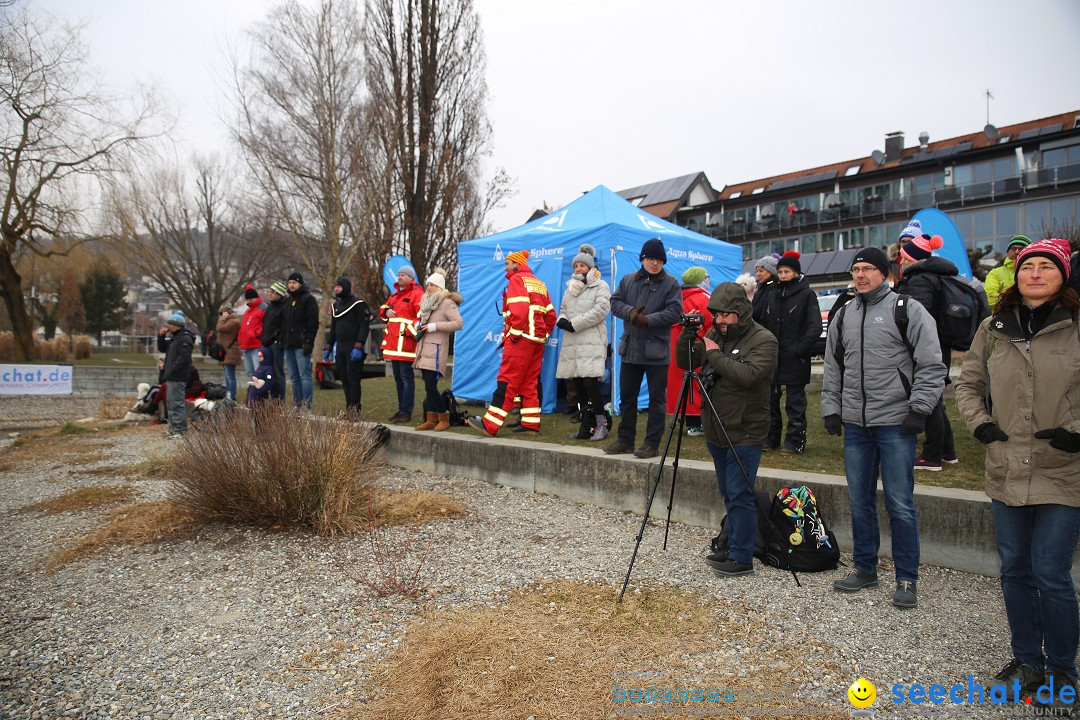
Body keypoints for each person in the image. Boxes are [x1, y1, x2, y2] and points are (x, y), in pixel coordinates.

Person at [955, 238, 1080, 701]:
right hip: (1006, 465)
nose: (1035, 274)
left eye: (1046, 266)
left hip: (1063, 467)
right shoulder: (994, 327)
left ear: (1062, 275)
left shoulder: (1075, 326)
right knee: (1015, 570)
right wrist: (981, 424)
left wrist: (1077, 431)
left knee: (1051, 571)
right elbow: (968, 383)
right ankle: (1028, 657)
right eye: (1028, 267)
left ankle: (1063, 669)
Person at [822, 247, 946, 609]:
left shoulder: (907, 310)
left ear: (885, 273)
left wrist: (919, 409)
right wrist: (832, 408)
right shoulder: (843, 314)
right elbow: (833, 367)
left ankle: (907, 577)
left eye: (868, 269)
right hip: (856, 425)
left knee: (900, 503)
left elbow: (931, 364)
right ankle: (865, 568)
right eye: (856, 269)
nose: (860, 275)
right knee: (859, 502)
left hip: (895, 423)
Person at [675, 282, 777, 577]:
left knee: (740, 493)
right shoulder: (714, 335)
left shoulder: (763, 339)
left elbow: (750, 375)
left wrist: (715, 355)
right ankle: (731, 543)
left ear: (741, 312)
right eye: (715, 315)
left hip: (745, 429)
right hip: (717, 428)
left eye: (725, 315)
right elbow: (688, 362)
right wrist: (688, 337)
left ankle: (742, 558)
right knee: (728, 491)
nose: (719, 321)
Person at [603, 238, 682, 458]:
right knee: (627, 398)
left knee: (657, 401)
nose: (654, 263)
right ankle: (625, 441)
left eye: (659, 259)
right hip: (630, 349)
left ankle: (652, 444)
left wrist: (648, 320)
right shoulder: (628, 280)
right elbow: (614, 302)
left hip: (657, 351)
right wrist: (631, 313)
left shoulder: (671, 283)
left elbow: (674, 311)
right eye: (650, 258)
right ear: (643, 259)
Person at [467, 249, 555, 435]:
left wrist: (514, 334)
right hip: (536, 340)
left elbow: (520, 310)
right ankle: (531, 424)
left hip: (521, 339)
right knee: (529, 382)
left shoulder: (516, 280)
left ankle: (491, 424)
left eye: (507, 264)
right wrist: (543, 334)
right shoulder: (539, 283)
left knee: (507, 380)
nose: (505, 267)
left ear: (516, 264)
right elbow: (551, 315)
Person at [894, 223, 959, 471]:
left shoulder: (920, 279)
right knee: (936, 398)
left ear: (912, 259)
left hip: (927, 344)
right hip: (940, 342)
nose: (900, 262)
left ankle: (931, 456)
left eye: (904, 257)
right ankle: (947, 450)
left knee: (928, 398)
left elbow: (916, 314)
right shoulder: (934, 276)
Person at [757, 251, 820, 454]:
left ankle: (795, 440)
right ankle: (771, 437)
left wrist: (799, 349)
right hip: (773, 355)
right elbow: (764, 322)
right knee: (770, 400)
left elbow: (814, 326)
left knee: (795, 402)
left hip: (795, 357)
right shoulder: (772, 294)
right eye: (780, 271)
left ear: (796, 273)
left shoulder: (807, 295)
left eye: (787, 271)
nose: (783, 275)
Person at [555, 244, 612, 441]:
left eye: (582, 265)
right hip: (573, 343)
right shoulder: (570, 289)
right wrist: (561, 319)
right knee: (577, 386)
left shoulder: (601, 285)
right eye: (576, 266)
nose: (578, 269)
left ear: (590, 266)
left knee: (590, 384)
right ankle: (584, 424)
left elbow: (600, 311)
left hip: (591, 342)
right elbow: (563, 308)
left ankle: (601, 424)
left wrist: (574, 324)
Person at [413, 268, 463, 432]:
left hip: (436, 351)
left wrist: (435, 326)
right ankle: (431, 418)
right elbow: (424, 322)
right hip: (424, 349)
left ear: (440, 287)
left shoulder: (446, 303)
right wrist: (418, 325)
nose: (429, 288)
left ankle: (443, 416)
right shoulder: (427, 303)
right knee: (428, 387)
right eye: (428, 285)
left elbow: (458, 323)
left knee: (431, 386)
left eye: (433, 285)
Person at [666, 266, 713, 437]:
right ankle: (698, 422)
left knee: (680, 384)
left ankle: (686, 420)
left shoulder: (674, 298)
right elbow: (712, 324)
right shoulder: (705, 298)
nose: (709, 280)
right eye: (707, 276)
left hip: (675, 349)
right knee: (699, 384)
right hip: (697, 347)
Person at [379, 266, 424, 424]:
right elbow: (384, 307)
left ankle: (406, 411)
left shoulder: (418, 294)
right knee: (398, 378)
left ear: (411, 278)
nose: (399, 277)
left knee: (406, 378)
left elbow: (422, 316)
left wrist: (410, 331)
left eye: (402, 275)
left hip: (406, 345)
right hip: (394, 345)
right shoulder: (395, 295)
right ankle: (401, 410)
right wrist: (385, 312)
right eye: (398, 275)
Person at [324, 276, 372, 413]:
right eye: (335, 286)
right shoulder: (336, 306)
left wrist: (359, 345)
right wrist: (328, 346)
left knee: (353, 378)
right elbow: (333, 329)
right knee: (344, 378)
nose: (336, 289)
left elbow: (364, 326)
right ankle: (349, 408)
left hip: (353, 346)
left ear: (345, 287)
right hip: (340, 347)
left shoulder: (358, 304)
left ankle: (355, 409)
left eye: (339, 286)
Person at [281, 272, 320, 408]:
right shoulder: (287, 301)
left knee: (304, 375)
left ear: (300, 284)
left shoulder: (308, 299)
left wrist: (309, 341)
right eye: (290, 282)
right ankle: (297, 404)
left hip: (301, 343)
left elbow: (313, 322)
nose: (291, 285)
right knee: (293, 376)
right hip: (289, 343)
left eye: (294, 283)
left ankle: (307, 404)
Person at [156, 312, 196, 438]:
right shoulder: (175, 338)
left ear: (176, 325)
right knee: (171, 402)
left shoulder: (185, 338)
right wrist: (161, 337)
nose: (168, 326)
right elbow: (162, 348)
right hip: (171, 376)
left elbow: (184, 358)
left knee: (177, 402)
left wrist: (173, 369)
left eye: (170, 324)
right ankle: (173, 428)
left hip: (178, 375)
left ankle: (180, 430)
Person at [984, 235, 1031, 311]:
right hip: (1003, 317)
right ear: (1008, 251)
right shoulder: (995, 273)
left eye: (1021, 249)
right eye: (1013, 248)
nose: (1017, 252)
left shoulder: (1037, 272)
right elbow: (990, 298)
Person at [261, 281, 288, 400]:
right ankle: (272, 396)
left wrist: (278, 339)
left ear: (279, 294)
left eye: (272, 292)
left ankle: (279, 400)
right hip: (266, 343)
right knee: (268, 373)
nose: (269, 294)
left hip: (276, 344)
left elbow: (284, 326)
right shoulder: (270, 306)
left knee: (278, 374)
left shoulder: (284, 307)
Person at [238, 284, 266, 380]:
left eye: (250, 299)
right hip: (246, 345)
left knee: (258, 371)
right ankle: (252, 393)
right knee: (250, 372)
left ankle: (260, 393)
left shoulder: (262, 309)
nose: (249, 301)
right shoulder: (247, 311)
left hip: (256, 344)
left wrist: (255, 334)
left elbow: (265, 325)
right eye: (247, 299)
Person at [215, 305, 242, 401]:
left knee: (230, 376)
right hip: (225, 352)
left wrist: (222, 319)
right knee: (227, 376)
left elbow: (220, 328)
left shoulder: (233, 322)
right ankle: (228, 395)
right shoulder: (228, 321)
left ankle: (232, 396)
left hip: (230, 352)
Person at [750, 254, 779, 324]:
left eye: (761, 271)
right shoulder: (760, 288)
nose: (758, 274)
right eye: (757, 271)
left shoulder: (774, 288)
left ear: (771, 271)